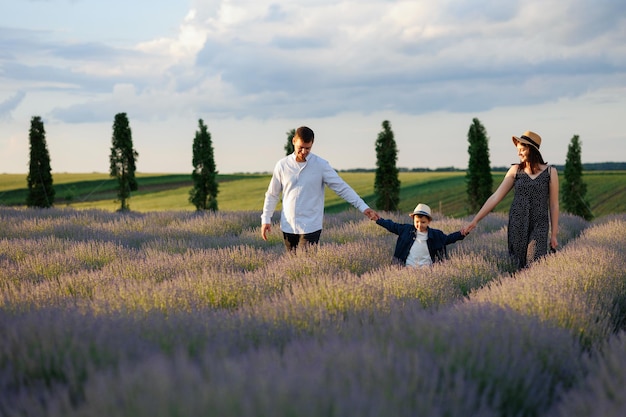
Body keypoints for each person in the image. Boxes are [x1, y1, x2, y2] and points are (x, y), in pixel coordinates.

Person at [261, 126, 379, 250]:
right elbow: (272, 194)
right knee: (293, 264)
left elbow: (342, 188)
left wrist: (363, 207)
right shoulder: (282, 165)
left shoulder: (321, 165)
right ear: (294, 141)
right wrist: (266, 219)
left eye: (308, 148)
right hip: (288, 226)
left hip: (311, 226)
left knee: (307, 265)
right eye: (300, 147)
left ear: (312, 144)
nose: (303, 152)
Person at [462, 130, 559, 270]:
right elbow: (496, 197)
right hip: (517, 223)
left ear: (532, 150)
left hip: (539, 225)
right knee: (517, 265)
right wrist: (475, 220)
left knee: (535, 263)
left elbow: (554, 205)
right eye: (518, 150)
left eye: (522, 149)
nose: (519, 153)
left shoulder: (550, 172)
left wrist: (554, 234)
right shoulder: (515, 170)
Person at [375, 203, 467, 267]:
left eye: (423, 222)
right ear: (413, 220)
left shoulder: (435, 235)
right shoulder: (406, 230)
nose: (419, 225)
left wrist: (461, 233)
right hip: (406, 269)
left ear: (429, 221)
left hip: (427, 271)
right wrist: (379, 220)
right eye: (417, 222)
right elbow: (392, 226)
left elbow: (448, 239)